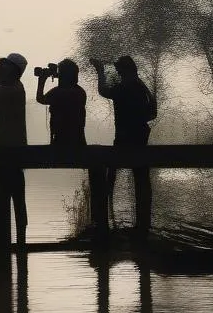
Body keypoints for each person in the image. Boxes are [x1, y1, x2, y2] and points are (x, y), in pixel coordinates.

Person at [93, 55, 156, 232]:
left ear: (125, 71)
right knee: (141, 176)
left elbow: (103, 91)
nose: (119, 73)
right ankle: (144, 221)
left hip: (124, 138)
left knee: (112, 171)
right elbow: (153, 113)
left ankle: (108, 209)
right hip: (140, 138)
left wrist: (100, 71)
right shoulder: (141, 86)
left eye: (120, 70)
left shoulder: (123, 87)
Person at [0, 52, 29, 247]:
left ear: (14, 71)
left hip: (10, 150)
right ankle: (12, 245)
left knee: (14, 197)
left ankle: (18, 242)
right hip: (3, 149)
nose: (1, 67)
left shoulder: (14, 89)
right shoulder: (11, 86)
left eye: (5, 65)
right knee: (5, 198)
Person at [36, 59, 87, 145]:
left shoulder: (59, 92)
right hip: (78, 140)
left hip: (61, 140)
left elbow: (40, 99)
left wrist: (42, 80)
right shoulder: (80, 91)